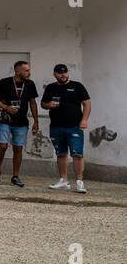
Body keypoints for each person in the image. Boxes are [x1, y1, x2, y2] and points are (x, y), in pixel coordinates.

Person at [42, 64, 91, 193]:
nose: (62, 75)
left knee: (77, 154)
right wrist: (49, 105)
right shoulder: (51, 88)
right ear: (55, 74)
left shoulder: (77, 86)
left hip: (74, 126)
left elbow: (87, 103)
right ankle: (64, 180)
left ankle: (80, 182)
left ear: (68, 73)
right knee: (61, 153)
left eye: (65, 72)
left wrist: (84, 120)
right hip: (56, 126)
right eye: (59, 73)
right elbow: (43, 103)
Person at [0, 60, 40, 187]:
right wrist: (6, 107)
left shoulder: (30, 84)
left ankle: (15, 176)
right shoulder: (4, 82)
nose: (29, 73)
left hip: (21, 121)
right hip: (5, 119)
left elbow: (32, 103)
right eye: (26, 70)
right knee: (2, 146)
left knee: (18, 148)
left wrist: (36, 121)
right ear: (18, 71)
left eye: (29, 70)